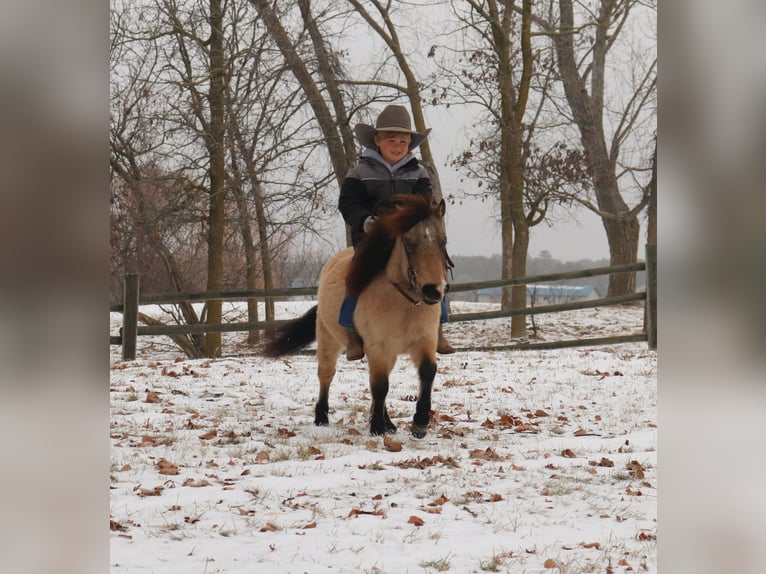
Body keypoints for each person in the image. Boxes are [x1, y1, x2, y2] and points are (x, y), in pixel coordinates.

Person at [338, 104, 455, 360]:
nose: (398, 145)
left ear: (409, 145)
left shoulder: (418, 172)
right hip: (373, 236)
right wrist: (365, 221)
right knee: (357, 272)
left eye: (403, 141)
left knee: (435, 268)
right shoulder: (360, 173)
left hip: (409, 236)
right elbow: (348, 203)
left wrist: (413, 219)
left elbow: (425, 200)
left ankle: (439, 326)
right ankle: (352, 332)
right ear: (377, 141)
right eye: (392, 140)